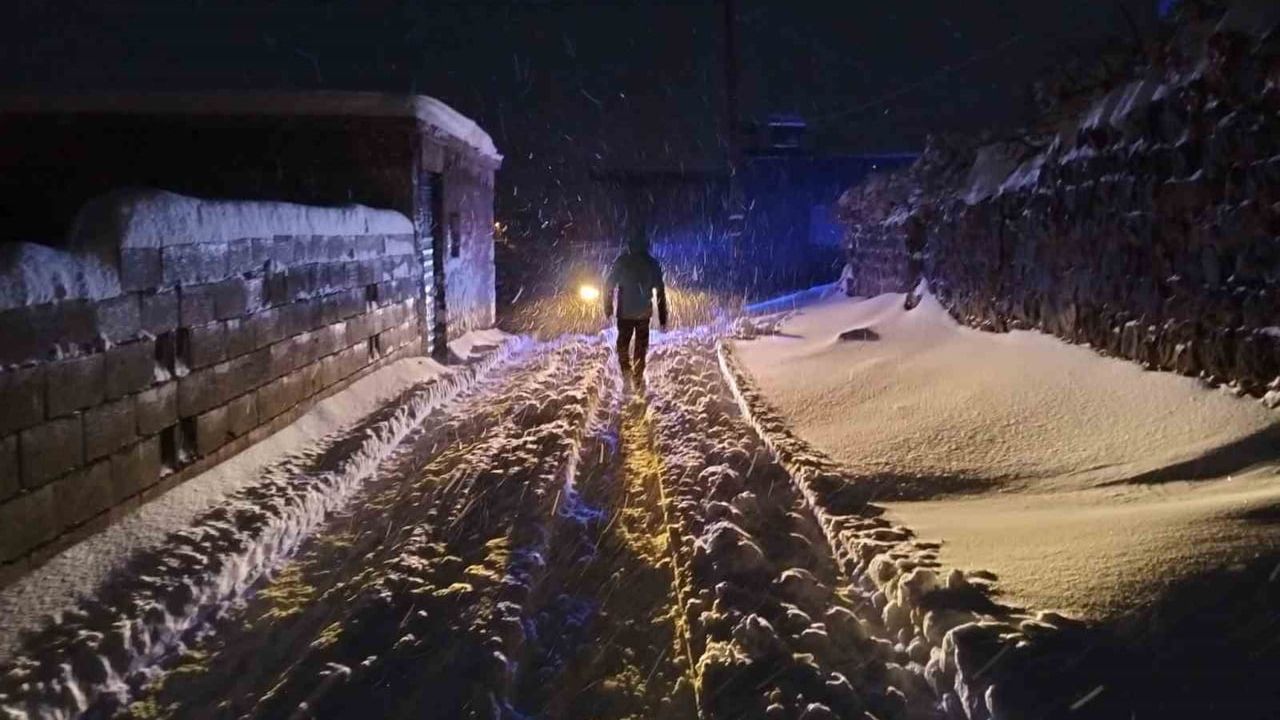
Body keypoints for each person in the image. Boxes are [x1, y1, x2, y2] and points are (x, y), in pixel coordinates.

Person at [603, 239, 668, 380]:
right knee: (641, 346)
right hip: (643, 313)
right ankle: (638, 374)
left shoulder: (622, 262)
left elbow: (609, 285)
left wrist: (608, 306)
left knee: (623, 344)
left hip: (625, 313)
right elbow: (660, 292)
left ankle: (626, 370)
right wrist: (662, 316)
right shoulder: (651, 264)